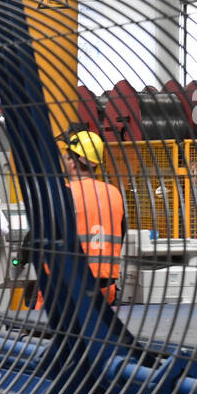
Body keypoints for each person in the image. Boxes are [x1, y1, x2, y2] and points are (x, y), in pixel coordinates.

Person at [61, 130, 127, 304]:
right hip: (106, 289)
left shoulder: (65, 193)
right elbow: (122, 232)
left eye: (66, 157)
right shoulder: (114, 194)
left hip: (68, 288)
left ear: (74, 163)